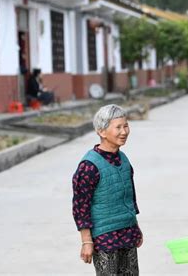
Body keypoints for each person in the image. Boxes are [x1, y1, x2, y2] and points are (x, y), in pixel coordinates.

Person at [72, 104, 143, 275]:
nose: (124, 131)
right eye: (118, 127)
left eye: (126, 125)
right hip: (105, 236)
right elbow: (81, 206)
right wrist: (86, 241)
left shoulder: (123, 159)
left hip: (128, 232)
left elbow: (129, 196)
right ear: (101, 131)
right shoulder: (89, 166)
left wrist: (136, 226)